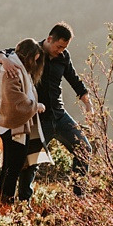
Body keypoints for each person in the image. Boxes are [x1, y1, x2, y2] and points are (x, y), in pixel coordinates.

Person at [36, 25, 92, 195]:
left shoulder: (63, 57)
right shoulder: (34, 51)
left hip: (60, 116)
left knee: (84, 149)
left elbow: (74, 80)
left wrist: (88, 104)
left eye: (64, 48)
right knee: (31, 161)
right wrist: (2, 58)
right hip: (39, 118)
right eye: (58, 47)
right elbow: (8, 53)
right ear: (49, 39)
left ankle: (79, 197)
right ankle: (23, 201)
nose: (60, 51)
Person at [0, 43, 45, 213]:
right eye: (33, 60)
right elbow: (15, 100)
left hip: (10, 125)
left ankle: (4, 203)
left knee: (9, 166)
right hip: (14, 127)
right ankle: (6, 205)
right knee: (13, 168)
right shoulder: (13, 70)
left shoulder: (14, 64)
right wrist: (34, 106)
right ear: (27, 55)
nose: (34, 65)